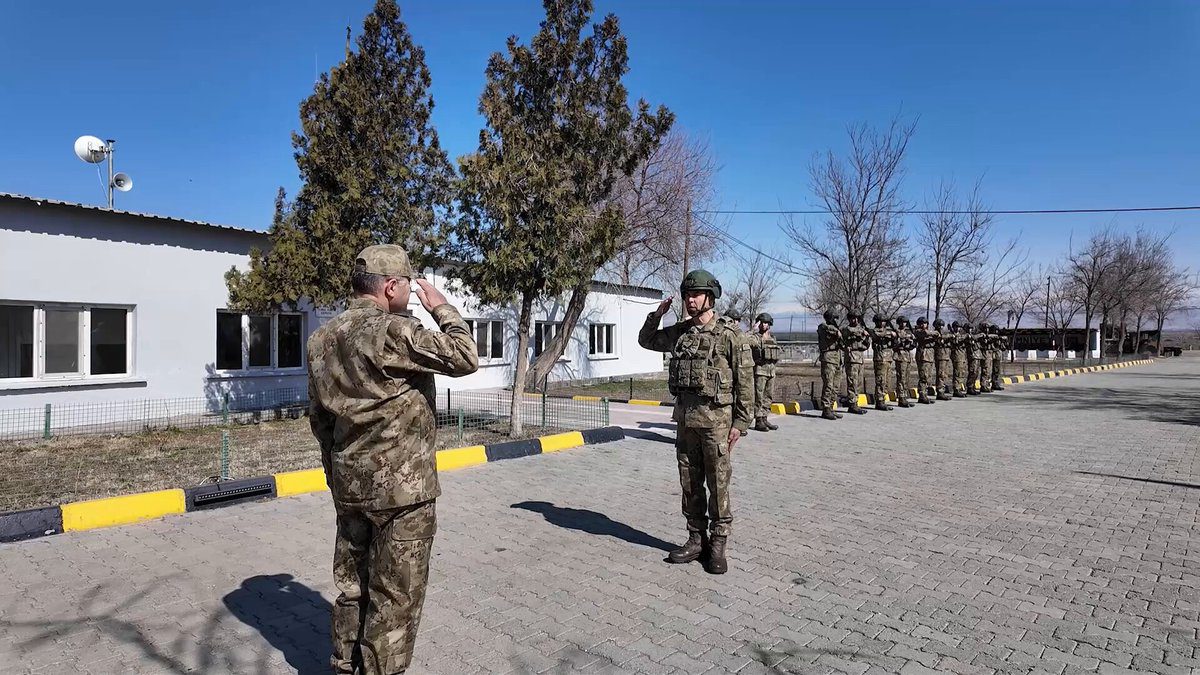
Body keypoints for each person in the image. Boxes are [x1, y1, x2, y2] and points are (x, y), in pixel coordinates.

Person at [307, 244, 479, 675]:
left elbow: (320, 418)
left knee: (353, 588)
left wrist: (335, 473)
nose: (412, 291)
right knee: (395, 597)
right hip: (403, 494)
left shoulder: (321, 339)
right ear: (390, 287)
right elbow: (464, 356)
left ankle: (344, 666)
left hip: (350, 485)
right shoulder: (393, 332)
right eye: (408, 283)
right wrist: (441, 308)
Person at [639, 269, 752, 575]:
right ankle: (696, 538)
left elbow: (746, 382)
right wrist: (657, 315)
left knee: (718, 483)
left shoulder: (729, 335)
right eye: (687, 295)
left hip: (717, 424)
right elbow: (646, 341)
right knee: (689, 482)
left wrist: (740, 423)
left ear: (710, 298)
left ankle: (718, 543)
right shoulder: (681, 333)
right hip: (686, 422)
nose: (690, 300)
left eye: (696, 295)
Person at [750, 312, 781, 431]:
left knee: (768, 396)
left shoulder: (773, 338)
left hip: (771, 371)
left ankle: (764, 418)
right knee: (759, 397)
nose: (764, 325)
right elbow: (744, 339)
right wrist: (753, 329)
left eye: (766, 323)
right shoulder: (755, 337)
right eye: (762, 323)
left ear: (770, 324)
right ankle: (758, 420)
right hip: (760, 371)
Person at [817, 310, 844, 420]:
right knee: (828, 385)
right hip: (828, 359)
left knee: (836, 386)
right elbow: (826, 328)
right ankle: (826, 409)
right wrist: (837, 331)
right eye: (834, 319)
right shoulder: (823, 327)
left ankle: (831, 407)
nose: (835, 321)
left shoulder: (836, 329)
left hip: (837, 359)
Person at [840, 312, 870, 414]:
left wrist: (866, 338)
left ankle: (855, 402)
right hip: (852, 358)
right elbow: (849, 332)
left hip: (860, 357)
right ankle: (852, 404)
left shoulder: (861, 329)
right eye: (853, 318)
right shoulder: (847, 329)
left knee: (859, 382)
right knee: (852, 382)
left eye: (857, 318)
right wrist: (862, 332)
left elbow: (866, 344)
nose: (855, 320)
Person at [868, 314, 894, 411]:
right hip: (880, 358)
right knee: (881, 381)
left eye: (884, 321)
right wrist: (890, 334)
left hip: (888, 358)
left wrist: (893, 336)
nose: (882, 323)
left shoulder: (888, 331)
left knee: (887, 381)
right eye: (881, 321)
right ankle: (879, 401)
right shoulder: (875, 331)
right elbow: (877, 335)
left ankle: (883, 399)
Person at [913, 316, 937, 405]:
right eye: (922, 323)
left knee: (928, 376)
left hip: (929, 355)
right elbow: (926, 333)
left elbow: (937, 335)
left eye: (925, 323)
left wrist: (934, 334)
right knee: (923, 377)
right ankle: (922, 395)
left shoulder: (928, 331)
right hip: (923, 356)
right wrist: (933, 334)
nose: (924, 325)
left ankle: (925, 394)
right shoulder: (918, 331)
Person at [893, 317, 916, 408]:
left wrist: (911, 341)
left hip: (907, 356)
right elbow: (895, 344)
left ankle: (904, 396)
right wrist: (902, 341)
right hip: (900, 356)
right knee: (901, 378)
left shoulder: (908, 333)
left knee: (906, 378)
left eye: (905, 322)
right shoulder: (896, 332)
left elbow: (913, 345)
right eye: (902, 322)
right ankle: (901, 397)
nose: (903, 324)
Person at [932, 318, 953, 401]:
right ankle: (940, 392)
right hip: (940, 356)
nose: (941, 327)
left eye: (942, 326)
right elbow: (940, 338)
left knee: (945, 374)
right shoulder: (936, 333)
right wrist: (950, 336)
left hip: (945, 356)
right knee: (941, 374)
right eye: (939, 326)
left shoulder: (943, 334)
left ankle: (942, 390)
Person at [966, 322, 983, 395]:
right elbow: (973, 339)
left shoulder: (973, 336)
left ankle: (972, 386)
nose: (970, 330)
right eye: (969, 328)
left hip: (977, 356)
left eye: (971, 328)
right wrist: (980, 335)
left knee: (976, 372)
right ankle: (970, 387)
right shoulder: (967, 336)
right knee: (972, 372)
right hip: (972, 356)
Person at [978, 322, 994, 393]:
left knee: (989, 371)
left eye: (988, 328)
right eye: (985, 328)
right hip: (984, 355)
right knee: (985, 371)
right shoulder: (981, 335)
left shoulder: (988, 335)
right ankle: (983, 385)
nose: (987, 330)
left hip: (989, 355)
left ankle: (987, 385)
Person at [992, 325, 1008, 391]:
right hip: (994, 356)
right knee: (994, 370)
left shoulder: (998, 338)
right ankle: (993, 384)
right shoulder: (992, 337)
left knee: (997, 371)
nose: (996, 332)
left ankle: (995, 384)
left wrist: (1004, 342)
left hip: (998, 356)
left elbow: (1003, 348)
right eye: (995, 330)